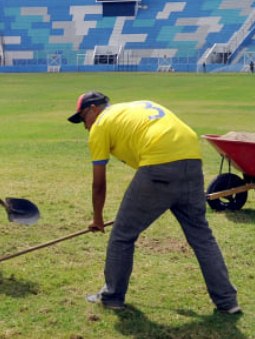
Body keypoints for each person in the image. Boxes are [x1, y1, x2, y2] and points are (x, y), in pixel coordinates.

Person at [67, 91, 241, 314]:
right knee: (201, 236)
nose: (85, 126)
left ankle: (112, 296)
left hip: (159, 163)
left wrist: (98, 218)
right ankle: (227, 301)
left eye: (83, 119)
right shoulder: (136, 106)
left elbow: (99, 183)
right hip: (192, 160)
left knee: (122, 235)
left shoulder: (101, 124)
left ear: (94, 109)